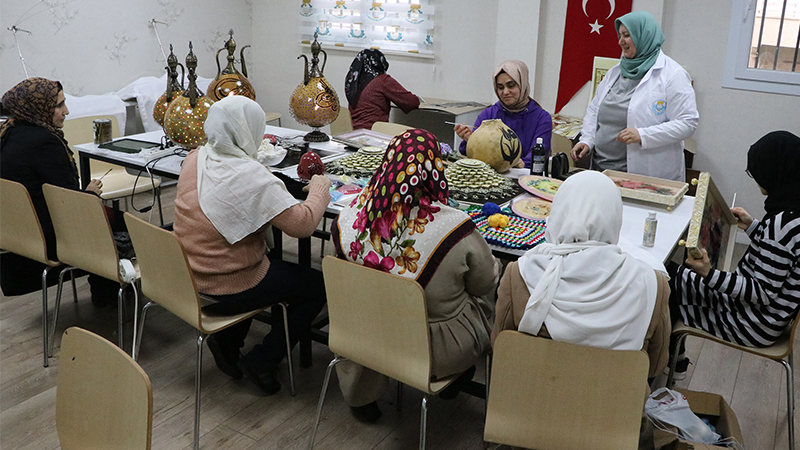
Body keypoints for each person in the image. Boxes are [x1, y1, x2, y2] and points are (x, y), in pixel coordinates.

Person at [331, 128, 500, 422]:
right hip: (430, 349)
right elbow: (485, 282)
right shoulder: (454, 227)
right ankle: (455, 374)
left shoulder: (351, 213)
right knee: (485, 286)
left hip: (362, 331)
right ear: (436, 169)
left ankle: (362, 394)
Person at [172, 95, 330, 395]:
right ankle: (263, 360)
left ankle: (228, 342)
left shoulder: (197, 157)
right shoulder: (251, 176)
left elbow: (246, 187)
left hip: (187, 275)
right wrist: (319, 189)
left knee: (265, 259)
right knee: (316, 286)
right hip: (226, 284)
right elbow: (303, 225)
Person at [670, 131, 800, 374]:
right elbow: (779, 258)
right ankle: (673, 358)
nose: (757, 179)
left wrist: (709, 274)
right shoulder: (792, 215)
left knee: (666, 283)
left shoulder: (782, 225)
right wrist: (753, 226)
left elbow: (761, 293)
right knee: (675, 276)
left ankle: (665, 364)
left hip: (751, 322)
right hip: (767, 318)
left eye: (758, 172)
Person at [0, 78, 118, 305]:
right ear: (39, 107)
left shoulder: (8, 133)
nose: (66, 111)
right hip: (50, 241)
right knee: (120, 222)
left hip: (18, 243)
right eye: (59, 105)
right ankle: (109, 295)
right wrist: (91, 194)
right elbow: (71, 206)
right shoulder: (45, 142)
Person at [570, 11, 698, 181]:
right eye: (620, 35)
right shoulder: (615, 72)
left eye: (627, 35)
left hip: (646, 175)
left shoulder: (673, 75)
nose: (620, 41)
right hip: (602, 170)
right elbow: (594, 111)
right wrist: (587, 140)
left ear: (644, 36)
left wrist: (643, 135)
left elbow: (687, 123)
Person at [455, 60, 552, 169]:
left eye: (511, 85)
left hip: (524, 176)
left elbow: (538, 157)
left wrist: (521, 163)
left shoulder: (542, 118)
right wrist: (470, 140)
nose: (505, 92)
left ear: (523, 84)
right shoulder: (488, 114)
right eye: (500, 87)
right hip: (491, 176)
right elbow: (470, 155)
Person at [345, 49, 420, 131]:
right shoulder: (382, 80)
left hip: (352, 132)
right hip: (374, 132)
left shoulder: (354, 81)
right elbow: (412, 102)